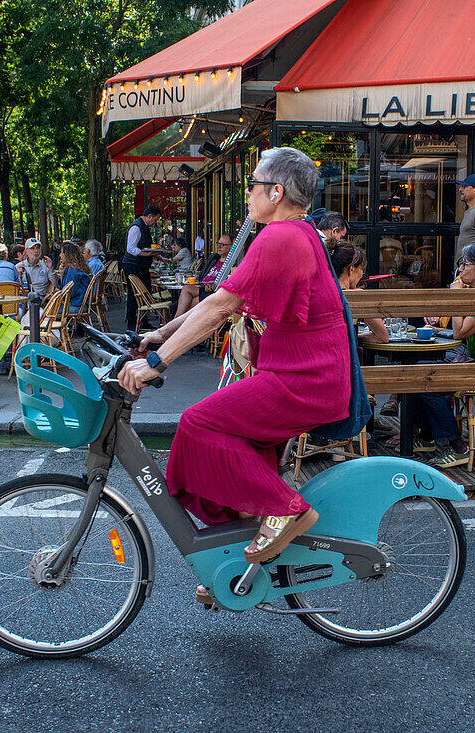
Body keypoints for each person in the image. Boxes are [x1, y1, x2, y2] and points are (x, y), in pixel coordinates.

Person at [119, 146, 351, 588]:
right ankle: (236, 562)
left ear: (276, 192)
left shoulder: (281, 237)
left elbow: (223, 305)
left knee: (198, 423)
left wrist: (156, 362)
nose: (247, 194)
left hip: (303, 380)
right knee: (228, 436)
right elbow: (226, 296)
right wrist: (161, 334)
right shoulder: (295, 235)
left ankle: (288, 509)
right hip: (300, 374)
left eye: (252, 186)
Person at [409, 241, 475, 468]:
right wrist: (438, 330)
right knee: (419, 368)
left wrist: (456, 298)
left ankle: (458, 448)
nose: (461, 269)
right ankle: (426, 436)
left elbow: (460, 332)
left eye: (466, 264)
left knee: (428, 380)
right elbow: (464, 331)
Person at [331, 242, 387, 343]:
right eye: (362, 269)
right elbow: (381, 336)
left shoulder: (322, 293)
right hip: (345, 356)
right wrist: (354, 339)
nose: (362, 275)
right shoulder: (358, 296)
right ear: (351, 269)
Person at [119, 205, 161, 330]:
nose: (155, 223)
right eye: (155, 219)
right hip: (133, 265)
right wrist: (147, 254)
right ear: (149, 216)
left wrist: (159, 257)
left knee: (145, 292)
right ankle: (131, 324)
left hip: (141, 265)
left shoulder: (145, 227)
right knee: (134, 294)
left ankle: (143, 320)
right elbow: (131, 248)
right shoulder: (136, 227)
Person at [173, 234, 231, 318]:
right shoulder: (214, 258)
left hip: (213, 293)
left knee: (186, 303)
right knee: (186, 291)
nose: (219, 246)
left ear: (231, 247)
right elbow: (203, 274)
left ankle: (173, 323)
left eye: (223, 244)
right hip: (202, 288)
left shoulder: (231, 263)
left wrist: (214, 284)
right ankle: (175, 325)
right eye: (218, 243)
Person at [58, 242, 91, 313]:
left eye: (61, 253)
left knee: (49, 310)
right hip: (80, 304)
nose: (60, 255)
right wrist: (62, 275)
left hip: (77, 306)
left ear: (67, 255)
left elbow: (68, 294)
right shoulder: (76, 268)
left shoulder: (73, 271)